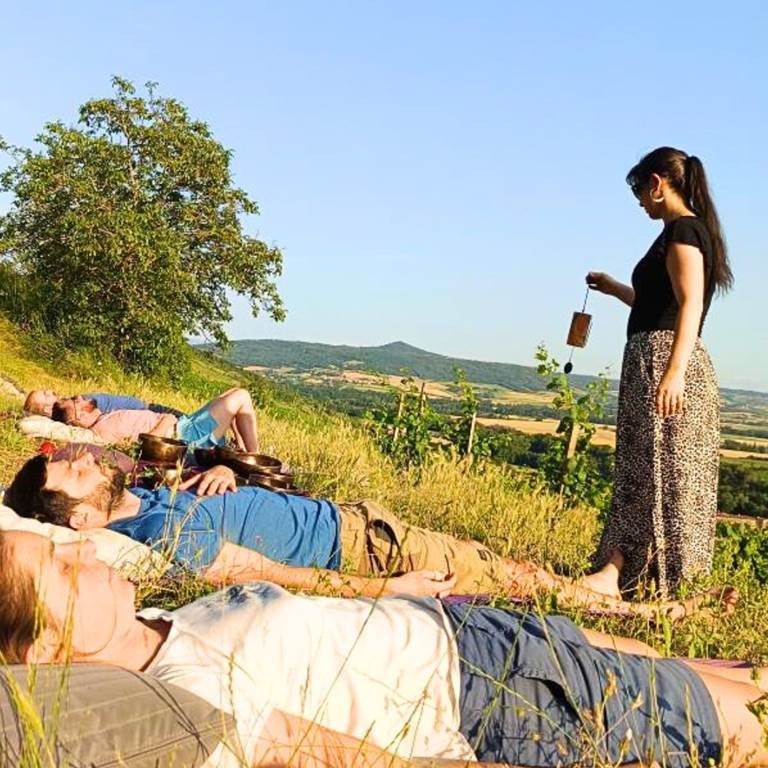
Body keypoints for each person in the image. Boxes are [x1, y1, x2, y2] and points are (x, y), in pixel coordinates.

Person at [1, 529, 766, 768]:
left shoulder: (161, 623)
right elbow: (325, 753)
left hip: (472, 637)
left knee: (724, 682)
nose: (88, 555)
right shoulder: (176, 699)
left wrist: (394, 595)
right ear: (41, 649)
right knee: (740, 732)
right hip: (498, 700)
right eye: (63, 568)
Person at [3, 451, 732, 616]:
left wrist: (226, 473)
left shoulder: (152, 505)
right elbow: (265, 573)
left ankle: (598, 588)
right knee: (504, 579)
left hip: (356, 523)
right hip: (364, 551)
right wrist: (388, 589)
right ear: (78, 519)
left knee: (496, 565)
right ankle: (641, 609)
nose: (80, 455)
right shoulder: (159, 540)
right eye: (67, 467)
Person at [587, 147, 733, 597]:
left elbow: (690, 305)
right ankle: (629, 571)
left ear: (657, 183)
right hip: (655, 355)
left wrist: (674, 372)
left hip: (666, 361)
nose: (638, 201)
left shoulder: (685, 231)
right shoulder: (677, 231)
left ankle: (667, 580)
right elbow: (659, 306)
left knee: (668, 473)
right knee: (642, 469)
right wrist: (615, 290)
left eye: (638, 190)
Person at [51, 387, 259, 451]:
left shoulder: (105, 418)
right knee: (241, 396)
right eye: (73, 401)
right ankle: (255, 457)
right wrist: (166, 421)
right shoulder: (104, 430)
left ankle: (242, 450)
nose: (79, 397)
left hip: (185, 426)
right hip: (187, 436)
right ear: (78, 419)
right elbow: (141, 448)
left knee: (231, 393)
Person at [24, 389, 183, 418]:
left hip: (148, 407)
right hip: (150, 411)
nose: (51, 391)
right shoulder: (76, 408)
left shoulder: (71, 403)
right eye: (47, 395)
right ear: (46, 409)